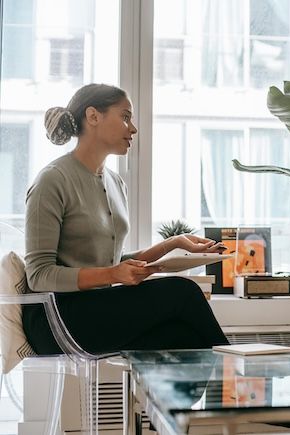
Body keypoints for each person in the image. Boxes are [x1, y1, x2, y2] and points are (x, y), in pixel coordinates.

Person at [22, 83, 230, 355]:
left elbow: (110, 262)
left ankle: (221, 393)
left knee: (182, 337)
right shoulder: (52, 180)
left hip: (96, 308)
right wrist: (112, 274)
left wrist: (174, 244)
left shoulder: (115, 183)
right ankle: (240, 380)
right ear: (93, 116)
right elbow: (39, 275)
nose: (133, 129)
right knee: (184, 293)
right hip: (56, 317)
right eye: (125, 116)